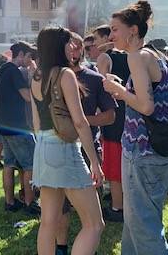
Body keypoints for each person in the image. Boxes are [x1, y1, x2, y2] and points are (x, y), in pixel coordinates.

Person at [102, 0, 168, 255]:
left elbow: (146, 107)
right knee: (136, 224)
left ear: (133, 31)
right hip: (163, 150)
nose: (111, 35)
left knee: (145, 229)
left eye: (115, 29)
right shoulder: (161, 57)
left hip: (142, 151)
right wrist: (126, 91)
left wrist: (119, 91)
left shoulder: (136, 56)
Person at [30, 27, 104, 255]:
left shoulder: (36, 76)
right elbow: (80, 122)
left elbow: (35, 123)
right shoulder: (65, 74)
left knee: (48, 222)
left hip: (42, 148)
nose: (73, 47)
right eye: (68, 42)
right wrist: (94, 162)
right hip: (64, 148)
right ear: (58, 45)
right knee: (94, 224)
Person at [55, 33, 116, 255]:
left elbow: (110, 116)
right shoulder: (51, 77)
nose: (74, 50)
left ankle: (89, 248)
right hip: (58, 149)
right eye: (70, 46)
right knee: (59, 206)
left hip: (88, 149)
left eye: (80, 46)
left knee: (92, 213)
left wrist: (81, 120)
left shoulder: (94, 78)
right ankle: (60, 248)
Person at [0, 41, 38, 213]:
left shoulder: (2, 70)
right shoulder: (14, 72)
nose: (30, 60)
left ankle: (10, 202)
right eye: (28, 56)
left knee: (9, 164)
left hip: (3, 124)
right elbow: (27, 96)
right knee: (30, 165)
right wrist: (33, 77)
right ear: (21, 55)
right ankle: (29, 203)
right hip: (17, 125)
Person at [92, 24, 129, 222]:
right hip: (132, 114)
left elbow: (101, 86)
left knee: (114, 168)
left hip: (114, 117)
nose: (95, 44)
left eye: (97, 39)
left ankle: (117, 208)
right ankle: (126, 205)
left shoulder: (105, 58)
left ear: (108, 37)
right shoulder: (134, 56)